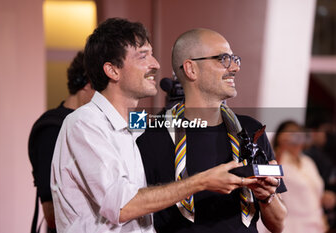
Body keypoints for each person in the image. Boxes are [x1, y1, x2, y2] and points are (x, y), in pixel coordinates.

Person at [50, 18, 259, 233]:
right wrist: (203, 181)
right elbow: (122, 206)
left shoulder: (136, 124)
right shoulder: (85, 124)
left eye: (151, 54)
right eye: (143, 56)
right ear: (112, 71)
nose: (156, 64)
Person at [137, 28, 287, 233]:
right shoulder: (150, 136)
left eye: (234, 59)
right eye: (223, 59)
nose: (234, 67)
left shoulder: (251, 130)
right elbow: (130, 209)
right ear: (191, 69)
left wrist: (266, 196)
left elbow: (278, 224)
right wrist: (199, 183)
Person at [28, 51, 95, 232]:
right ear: (87, 84)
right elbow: (52, 214)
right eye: (101, 87)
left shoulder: (92, 125)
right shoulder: (51, 130)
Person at [267, 120, 327, 233]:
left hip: (314, 223)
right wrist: (282, 148)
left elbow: (315, 192)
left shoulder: (307, 162)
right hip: (291, 225)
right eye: (291, 133)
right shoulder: (278, 161)